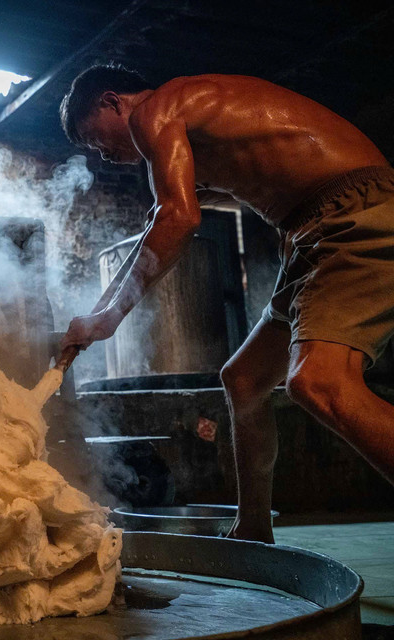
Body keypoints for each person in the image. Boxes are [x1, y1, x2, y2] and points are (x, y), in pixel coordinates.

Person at [57, 64, 394, 543]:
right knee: (244, 379)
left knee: (317, 380)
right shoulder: (189, 135)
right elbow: (159, 221)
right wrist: (97, 316)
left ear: (112, 102)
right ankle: (253, 529)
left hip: (351, 213)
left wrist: (112, 316)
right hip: (310, 236)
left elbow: (179, 218)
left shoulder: (157, 109)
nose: (103, 157)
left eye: (95, 141)